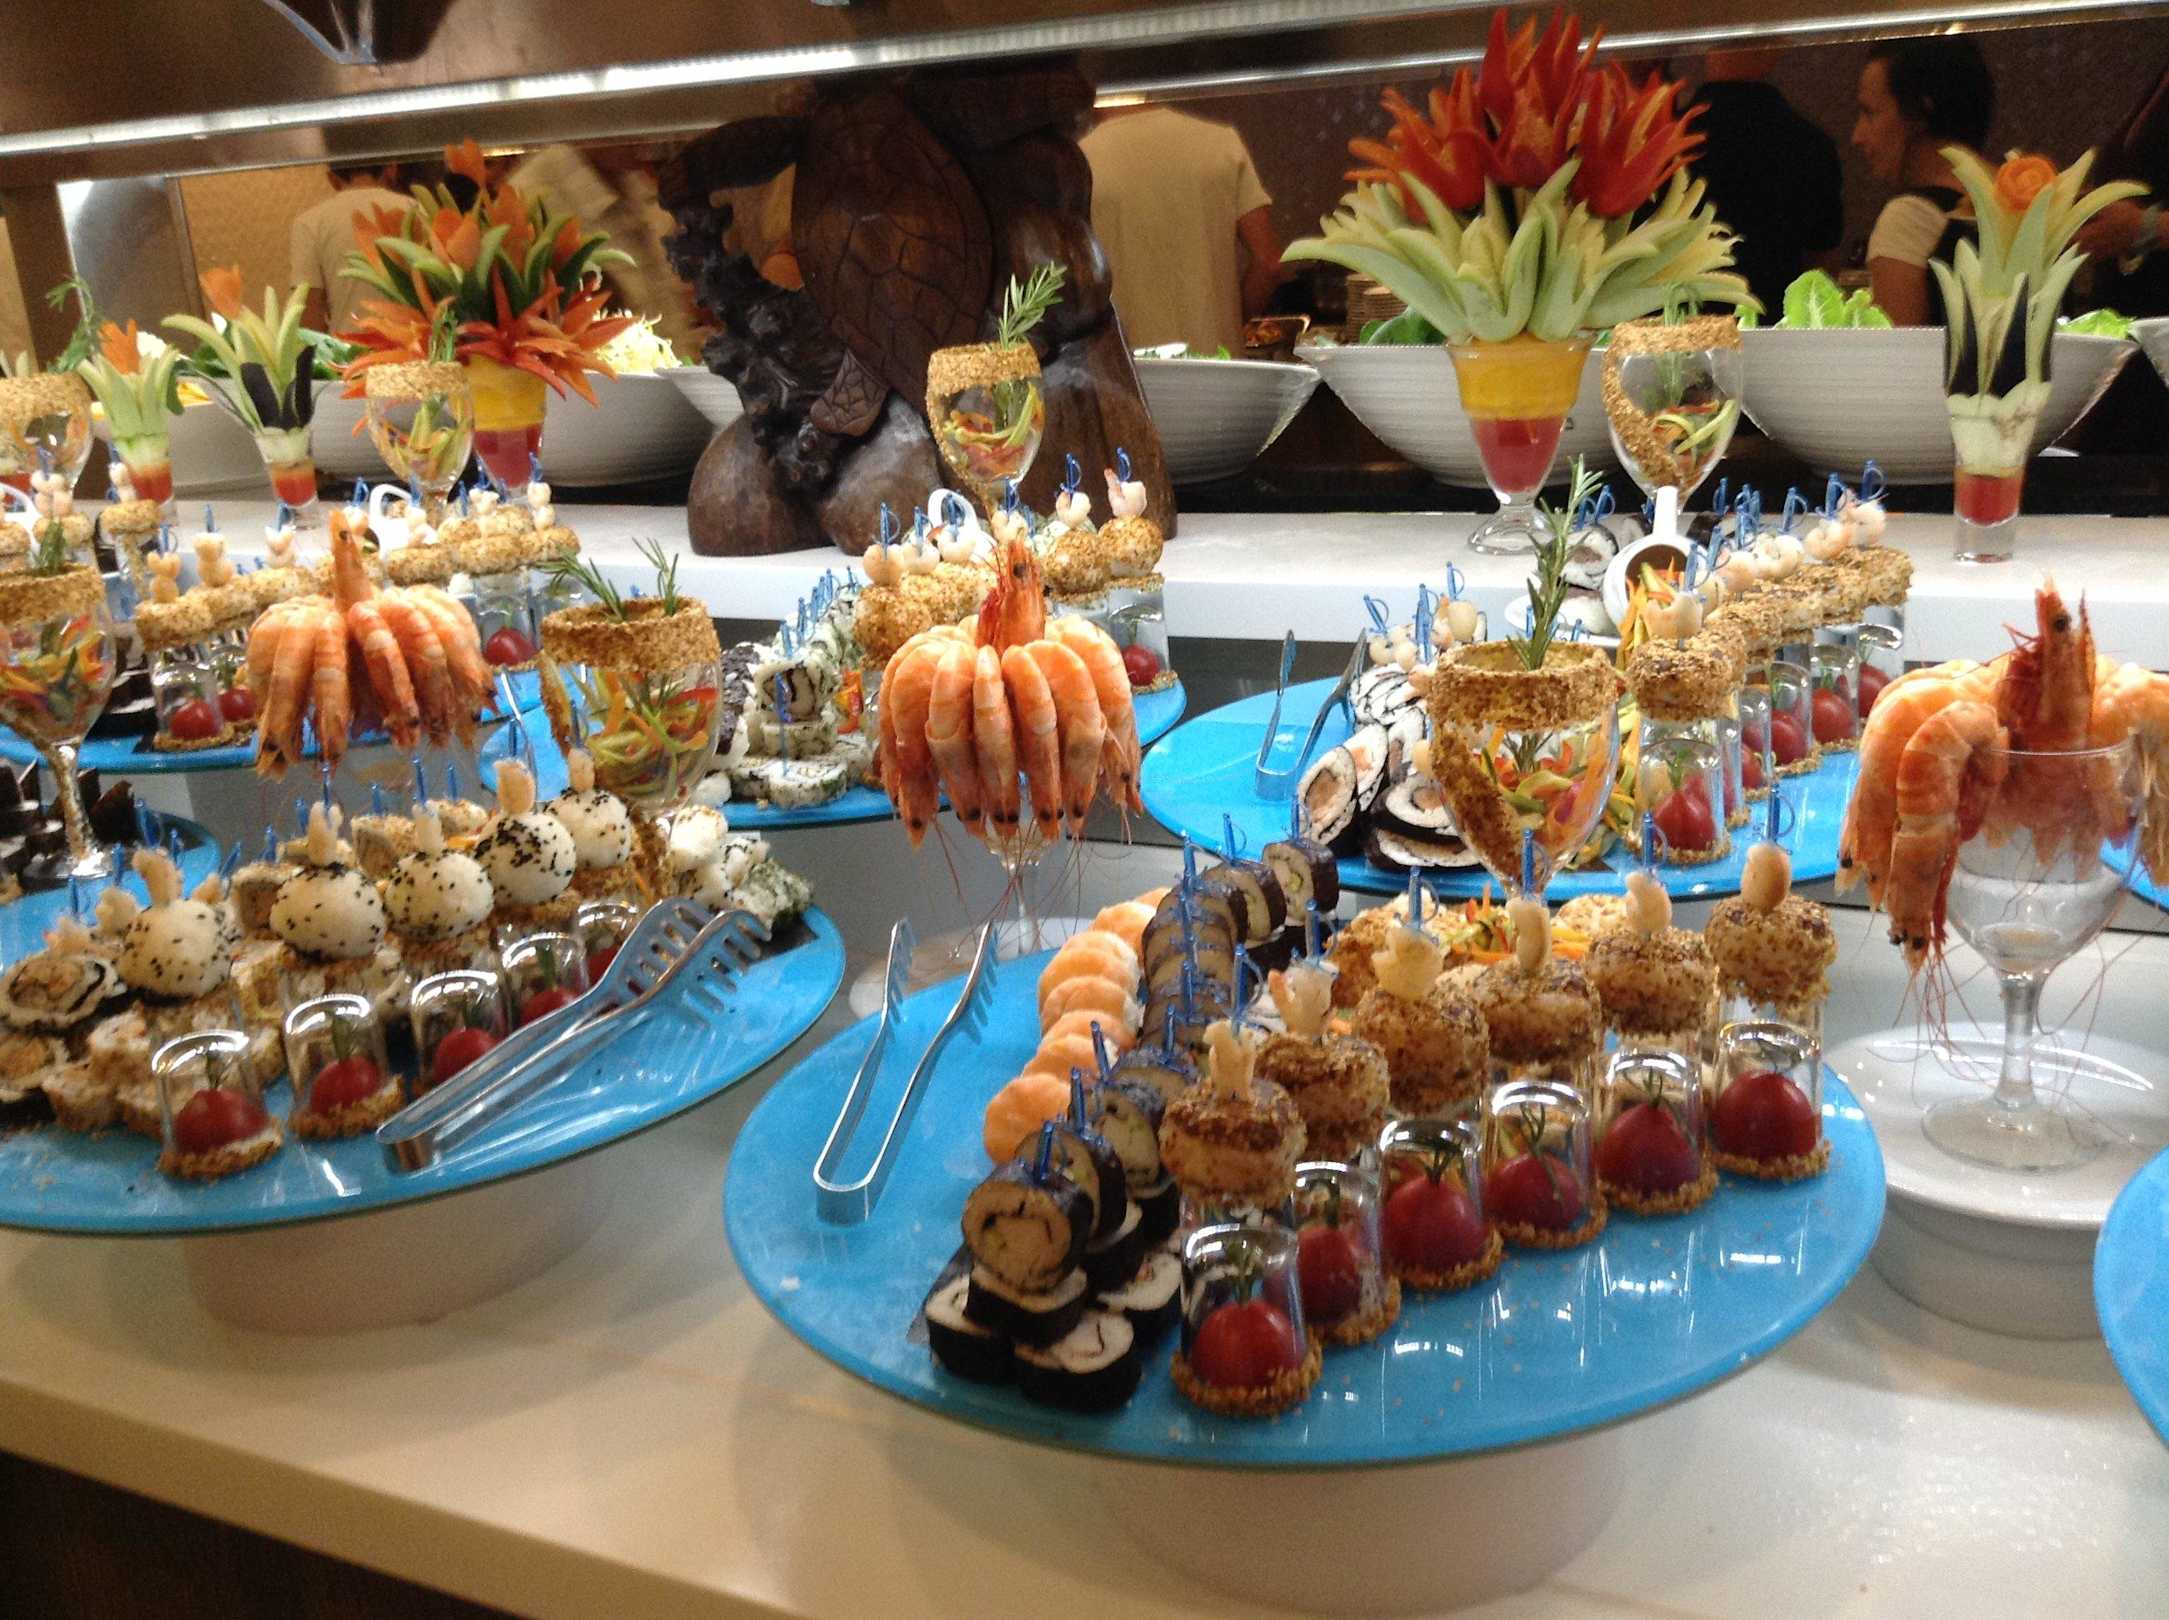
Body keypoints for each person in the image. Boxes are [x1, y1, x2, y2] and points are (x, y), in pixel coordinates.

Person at [1081, 104, 1282, 354]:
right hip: (1216, 364)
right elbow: (1269, 263)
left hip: (1127, 369)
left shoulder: (1080, 162)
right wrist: (1227, 324)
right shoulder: (1220, 143)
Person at [1850, 36, 1997, 326]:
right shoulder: (2029, 206)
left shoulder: (1909, 218)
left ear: (1919, 112)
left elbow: (1898, 351)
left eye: (1870, 113)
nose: (1857, 135)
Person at [1690, 48, 1844, 314]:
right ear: (1780, 44)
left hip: (1669, 331)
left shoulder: (1665, 142)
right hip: (1777, 328)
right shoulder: (1810, 146)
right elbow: (1820, 274)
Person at [290, 162, 411, 337]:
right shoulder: (413, 208)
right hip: (411, 345)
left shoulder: (310, 222)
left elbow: (309, 311)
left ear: (332, 179)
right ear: (392, 169)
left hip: (346, 348)